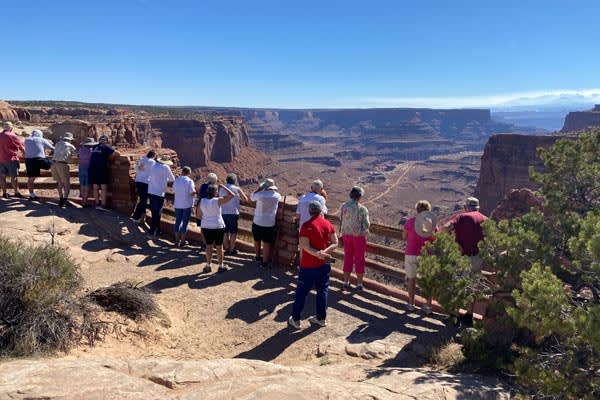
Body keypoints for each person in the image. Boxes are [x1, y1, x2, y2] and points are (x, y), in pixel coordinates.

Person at [288, 201, 338, 329]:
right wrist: (324, 253)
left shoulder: (306, 225)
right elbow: (335, 242)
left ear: (310, 212)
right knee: (323, 290)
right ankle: (321, 318)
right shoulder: (328, 224)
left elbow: (305, 246)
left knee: (301, 292)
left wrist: (318, 254)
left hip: (309, 265)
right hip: (324, 264)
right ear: (321, 211)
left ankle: (296, 319)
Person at [402, 200, 437, 314]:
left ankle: (411, 304)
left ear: (417, 210)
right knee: (427, 281)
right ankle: (427, 306)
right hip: (426, 255)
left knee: (411, 280)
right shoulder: (431, 224)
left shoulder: (410, 222)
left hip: (411, 253)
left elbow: (404, 236)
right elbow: (435, 239)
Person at [443, 197, 487, 272]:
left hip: (463, 258)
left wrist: (453, 243)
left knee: (460, 282)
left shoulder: (461, 217)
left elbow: (446, 227)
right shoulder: (485, 218)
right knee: (474, 281)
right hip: (479, 259)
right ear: (478, 208)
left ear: (465, 207)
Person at [339, 186, 370, 291]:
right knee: (359, 259)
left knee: (348, 257)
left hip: (346, 235)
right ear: (360, 196)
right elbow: (366, 225)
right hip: (358, 236)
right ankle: (359, 284)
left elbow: (341, 218)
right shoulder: (362, 209)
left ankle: (346, 282)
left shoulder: (343, 206)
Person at [199, 183, 234, 273]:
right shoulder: (218, 201)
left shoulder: (202, 201)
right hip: (218, 226)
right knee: (219, 246)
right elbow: (232, 195)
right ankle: (220, 266)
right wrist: (223, 187)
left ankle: (208, 265)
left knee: (208, 246)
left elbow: (199, 215)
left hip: (206, 226)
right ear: (215, 192)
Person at [250, 178, 282, 268]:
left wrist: (259, 189)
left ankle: (257, 257)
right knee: (267, 242)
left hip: (258, 221)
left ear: (265, 186)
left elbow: (251, 198)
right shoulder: (277, 196)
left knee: (257, 239)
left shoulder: (260, 195)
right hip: (270, 223)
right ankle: (265, 262)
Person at [219, 173, 248, 255]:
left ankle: (227, 249)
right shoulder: (237, 188)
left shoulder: (221, 189)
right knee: (233, 232)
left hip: (223, 212)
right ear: (234, 180)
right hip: (233, 213)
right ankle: (232, 250)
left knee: (225, 232)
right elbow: (245, 199)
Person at [89, 135, 120, 211]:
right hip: (101, 168)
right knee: (103, 187)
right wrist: (110, 157)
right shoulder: (105, 147)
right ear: (106, 141)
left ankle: (97, 204)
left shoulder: (94, 147)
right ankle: (103, 205)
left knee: (95, 187)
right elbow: (118, 153)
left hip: (92, 168)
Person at [147, 155, 175, 238]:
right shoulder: (166, 167)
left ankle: (158, 230)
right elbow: (172, 179)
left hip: (151, 191)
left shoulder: (153, 165)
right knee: (157, 213)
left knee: (155, 212)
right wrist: (164, 179)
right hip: (159, 193)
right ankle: (151, 232)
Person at [23, 129, 54, 200]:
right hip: (39, 160)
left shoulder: (27, 140)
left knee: (31, 178)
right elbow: (52, 148)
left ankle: (32, 195)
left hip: (29, 161)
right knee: (51, 164)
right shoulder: (42, 140)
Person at [51, 132, 76, 207]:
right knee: (66, 183)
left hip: (54, 164)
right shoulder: (71, 146)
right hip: (62, 164)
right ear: (70, 139)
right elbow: (77, 153)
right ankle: (64, 200)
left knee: (60, 182)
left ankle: (61, 198)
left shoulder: (57, 144)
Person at [0, 121, 25, 199]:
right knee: (14, 177)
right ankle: (16, 192)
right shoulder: (12, 135)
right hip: (11, 159)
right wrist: (24, 153)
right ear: (11, 128)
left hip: (1, 159)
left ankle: (4, 192)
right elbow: (20, 146)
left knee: (2, 177)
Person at [130, 150, 157, 222]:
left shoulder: (141, 160)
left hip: (138, 181)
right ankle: (136, 217)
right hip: (146, 182)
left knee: (142, 199)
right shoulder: (152, 162)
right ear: (153, 156)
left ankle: (141, 216)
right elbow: (154, 172)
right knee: (143, 200)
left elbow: (136, 169)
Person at [173, 166, 196, 247]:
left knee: (177, 222)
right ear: (189, 173)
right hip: (187, 205)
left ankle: (176, 240)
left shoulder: (177, 180)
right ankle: (182, 241)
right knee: (185, 223)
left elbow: (174, 191)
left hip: (178, 204)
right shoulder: (190, 181)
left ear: (182, 172)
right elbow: (192, 192)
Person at [195, 172, 218, 245]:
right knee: (211, 226)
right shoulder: (214, 188)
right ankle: (211, 243)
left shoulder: (203, 186)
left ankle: (205, 243)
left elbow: (200, 195)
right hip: (209, 208)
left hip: (200, 207)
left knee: (202, 226)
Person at [78, 137, 97, 207]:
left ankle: (83, 201)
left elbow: (79, 156)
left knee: (82, 186)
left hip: (81, 168)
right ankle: (85, 202)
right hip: (88, 169)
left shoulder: (81, 149)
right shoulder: (92, 151)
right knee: (86, 186)